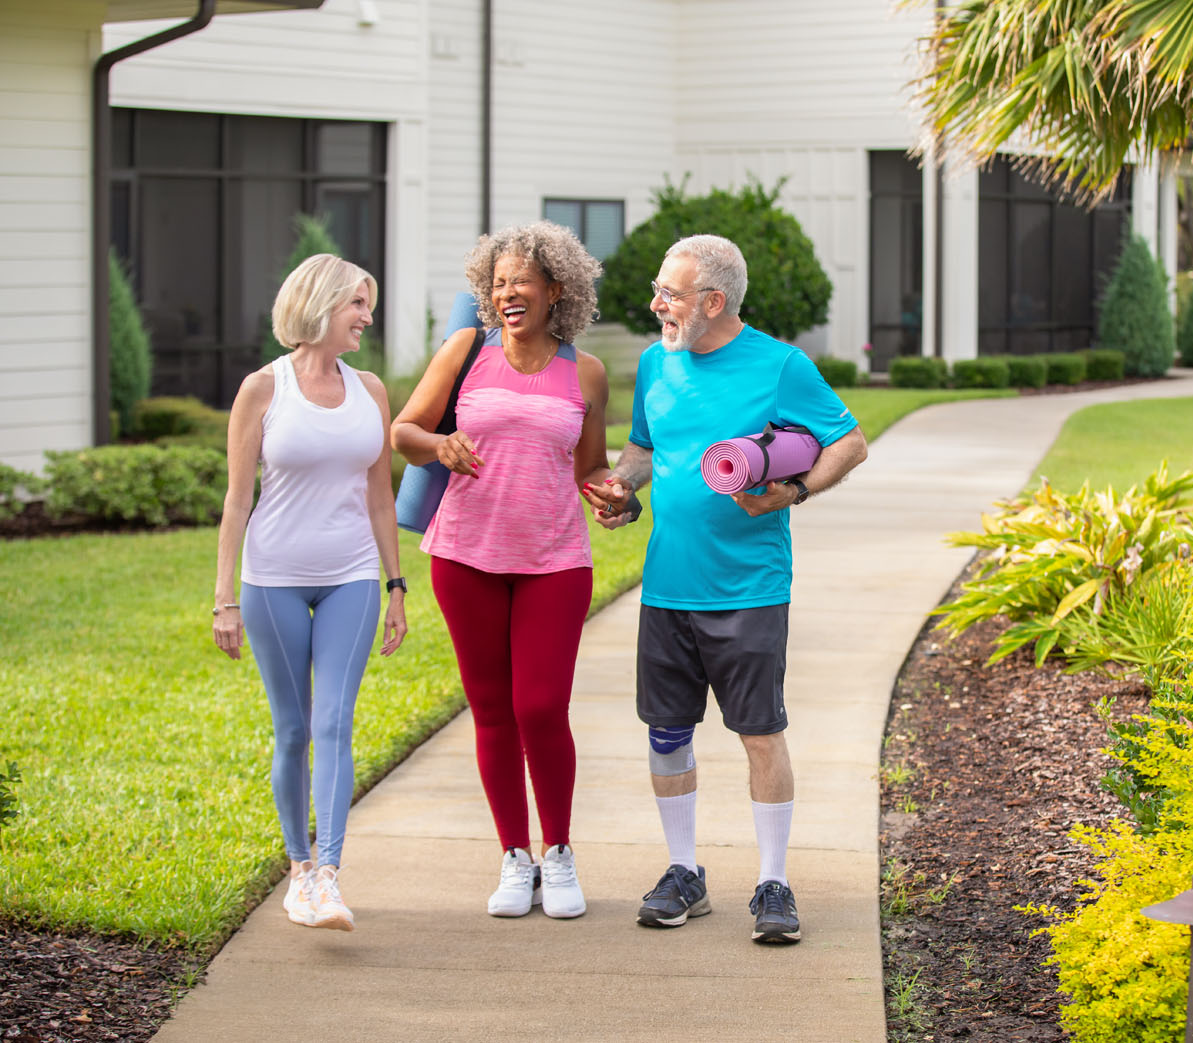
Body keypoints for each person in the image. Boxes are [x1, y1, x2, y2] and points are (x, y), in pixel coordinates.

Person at [584, 234, 868, 944]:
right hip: (668, 586)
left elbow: (849, 441)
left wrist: (794, 489)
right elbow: (645, 447)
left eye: (670, 295)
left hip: (748, 587)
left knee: (760, 732)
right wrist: (625, 484)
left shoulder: (780, 365)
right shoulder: (656, 361)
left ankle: (773, 880)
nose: (656, 305)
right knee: (667, 731)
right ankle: (684, 872)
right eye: (658, 291)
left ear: (713, 301)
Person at [391, 222, 614, 920]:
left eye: (521, 279)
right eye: (498, 281)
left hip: (553, 560)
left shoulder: (585, 372)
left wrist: (613, 495)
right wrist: (438, 444)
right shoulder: (466, 350)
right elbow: (404, 431)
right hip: (466, 556)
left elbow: (590, 468)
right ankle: (514, 855)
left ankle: (560, 852)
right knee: (491, 711)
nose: (507, 291)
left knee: (541, 708)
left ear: (555, 288)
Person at [213, 253, 408, 933]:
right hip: (271, 582)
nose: (366, 316)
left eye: (367, 304)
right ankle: (298, 868)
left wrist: (396, 584)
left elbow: (381, 497)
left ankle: (327, 874)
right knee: (294, 729)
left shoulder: (372, 390)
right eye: (357, 303)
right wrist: (224, 598)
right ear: (321, 304)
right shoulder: (262, 389)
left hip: (352, 574)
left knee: (335, 723)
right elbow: (238, 502)